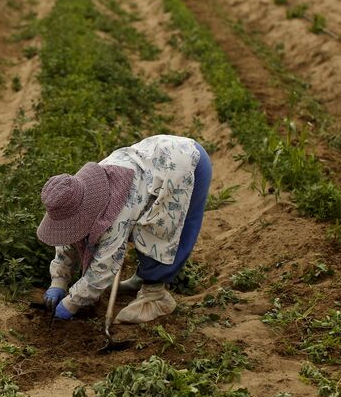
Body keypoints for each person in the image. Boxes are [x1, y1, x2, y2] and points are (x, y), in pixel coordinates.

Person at [37, 134, 212, 324]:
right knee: (141, 221)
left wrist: (72, 303)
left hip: (185, 165)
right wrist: (59, 281)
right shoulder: (76, 192)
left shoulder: (114, 213)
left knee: (158, 231)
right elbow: (68, 234)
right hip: (157, 158)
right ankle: (142, 277)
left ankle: (155, 294)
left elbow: (105, 264)